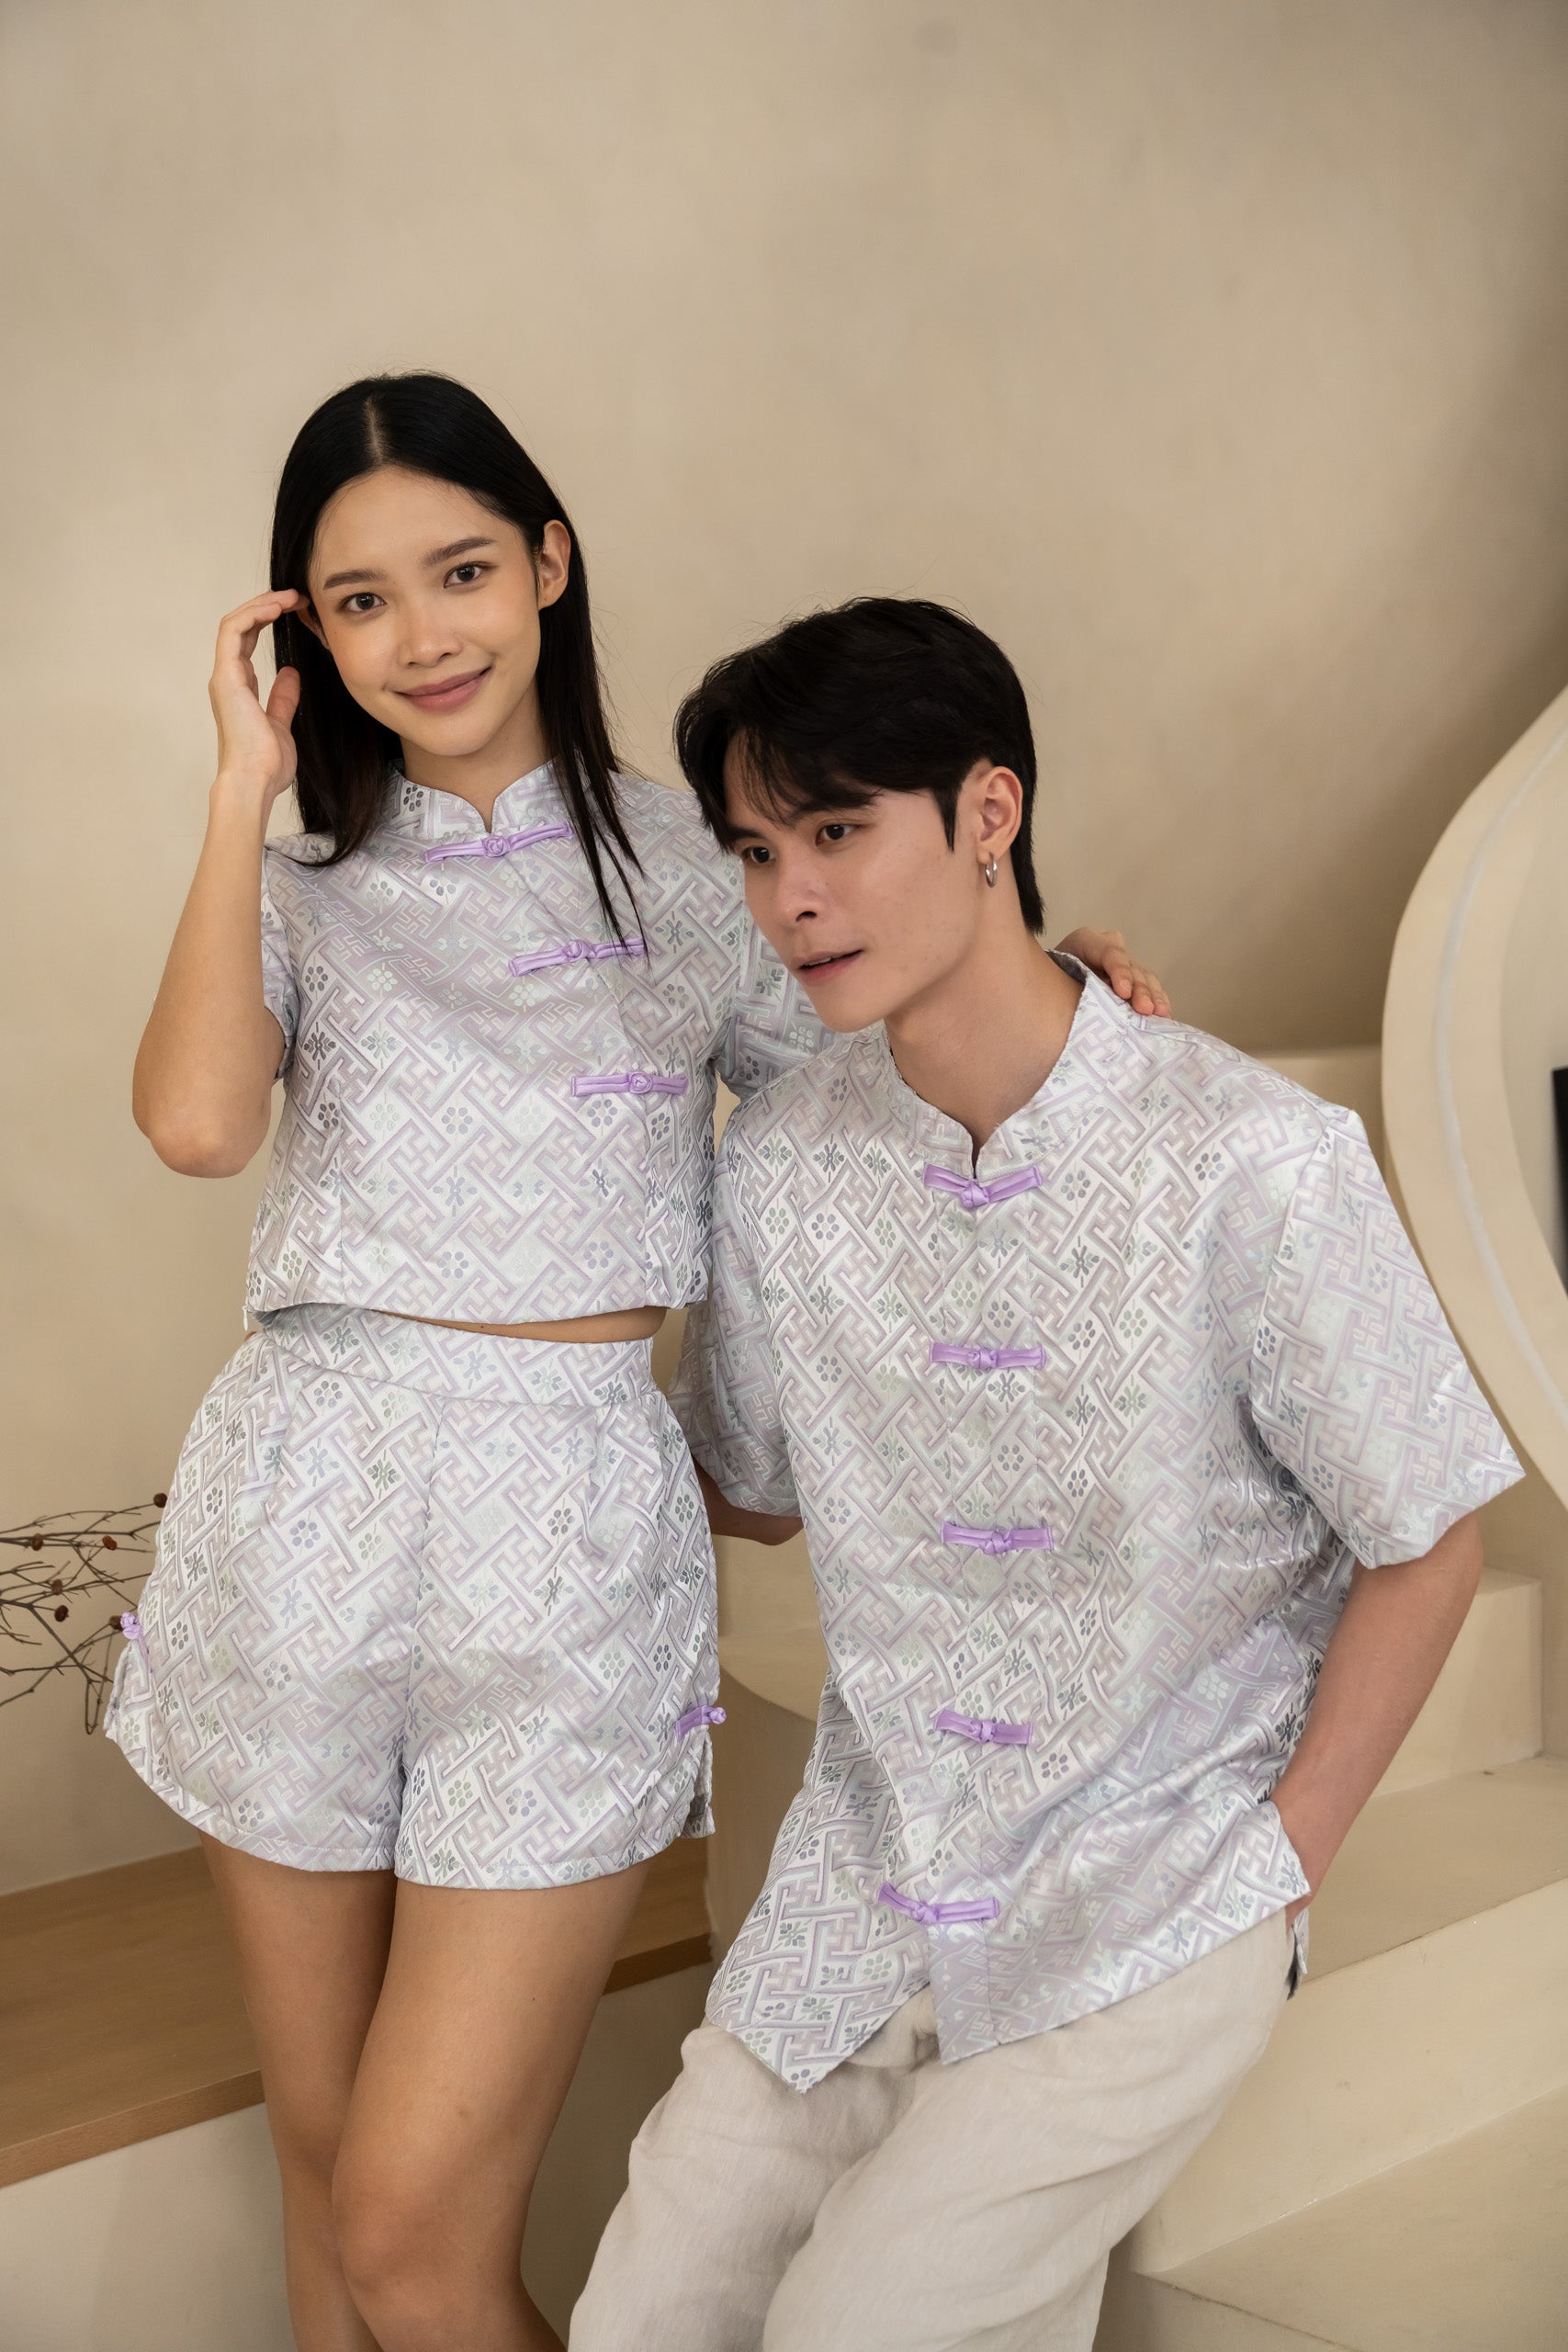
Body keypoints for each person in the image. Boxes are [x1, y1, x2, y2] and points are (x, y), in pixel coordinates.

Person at [107, 379, 1162, 2352]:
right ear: (305, 634)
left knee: (414, 2227)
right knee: (325, 2170)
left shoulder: (702, 870)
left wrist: (1042, 978)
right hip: (300, 1508)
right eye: (358, 601)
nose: (421, 636)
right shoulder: (295, 877)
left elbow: (879, 1083)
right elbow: (192, 1123)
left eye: (460, 572)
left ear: (548, 563)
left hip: (571, 1533)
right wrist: (241, 792)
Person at [571, 596, 1524, 2352]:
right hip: (867, 1877)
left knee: (862, 2328)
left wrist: (1278, 1864)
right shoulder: (778, 1162)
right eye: (757, 851)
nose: (790, 899)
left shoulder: (1254, 1158)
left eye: (837, 831)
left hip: (1157, 1878)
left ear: (988, 814)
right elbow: (753, 1487)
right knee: (644, 2316)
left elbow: (1431, 1535)